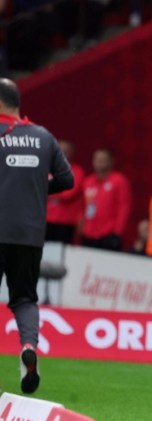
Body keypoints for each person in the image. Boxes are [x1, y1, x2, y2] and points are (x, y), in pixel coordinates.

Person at [0, 77, 73, 394]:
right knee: (25, 299)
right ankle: (29, 346)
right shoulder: (43, 136)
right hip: (29, 234)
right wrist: (37, 189)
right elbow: (67, 180)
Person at [81, 147, 131, 251]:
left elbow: (124, 207)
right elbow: (83, 207)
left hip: (109, 234)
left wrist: (118, 232)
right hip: (89, 233)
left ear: (111, 161)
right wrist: (82, 228)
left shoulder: (119, 181)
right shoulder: (88, 182)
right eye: (97, 160)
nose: (99, 163)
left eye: (103, 160)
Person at [45, 139, 84, 244]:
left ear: (72, 153)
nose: (62, 153)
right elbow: (40, 191)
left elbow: (69, 194)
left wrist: (50, 193)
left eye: (66, 151)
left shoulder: (77, 171)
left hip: (65, 222)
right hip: (46, 219)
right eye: (60, 150)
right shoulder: (47, 169)